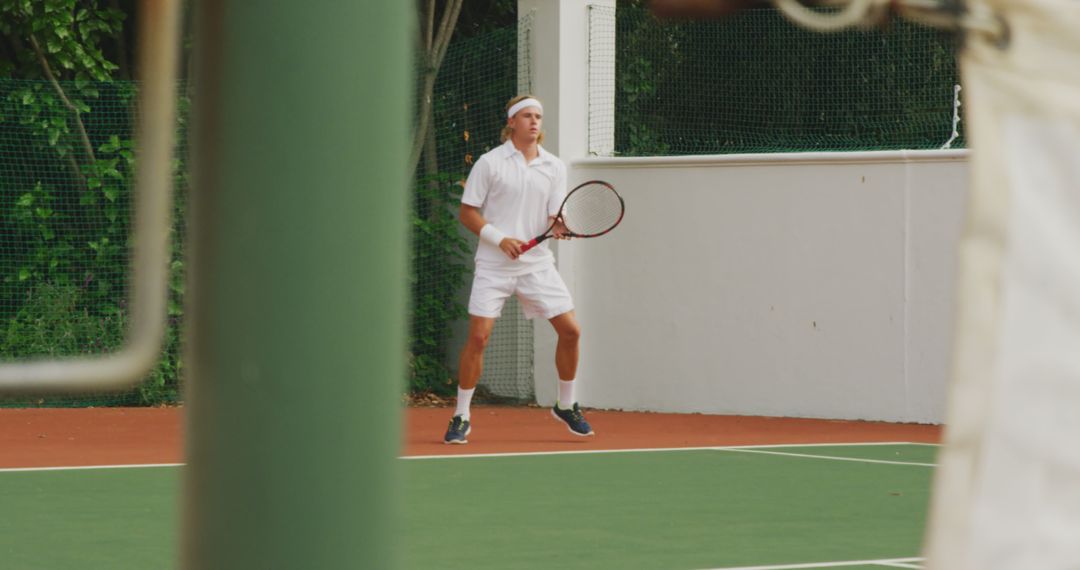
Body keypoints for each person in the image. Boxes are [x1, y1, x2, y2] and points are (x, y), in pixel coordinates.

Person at [443, 94, 593, 444]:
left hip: (537, 265)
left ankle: (565, 405)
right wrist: (500, 239)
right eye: (527, 115)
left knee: (571, 331)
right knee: (478, 337)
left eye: (538, 116)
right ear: (511, 122)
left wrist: (559, 224)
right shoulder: (489, 163)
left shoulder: (554, 166)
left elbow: (554, 214)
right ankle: (461, 414)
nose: (534, 121)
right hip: (494, 266)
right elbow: (468, 213)